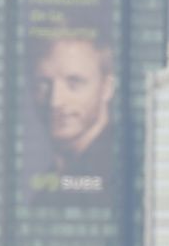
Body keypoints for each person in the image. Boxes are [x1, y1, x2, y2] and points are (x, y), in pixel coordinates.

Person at [30, 36, 116, 184]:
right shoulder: (51, 184)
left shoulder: (118, 174)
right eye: (43, 84)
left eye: (74, 82)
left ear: (107, 88)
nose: (55, 101)